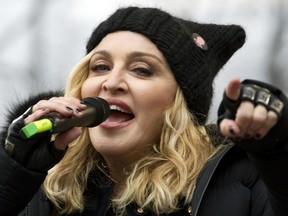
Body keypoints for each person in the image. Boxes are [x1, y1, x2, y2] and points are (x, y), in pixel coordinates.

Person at [0, 6, 287, 216]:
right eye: (100, 67)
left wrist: (276, 154)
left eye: (141, 70)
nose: (111, 83)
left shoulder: (244, 181)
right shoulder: (44, 183)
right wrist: (14, 172)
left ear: (180, 104)